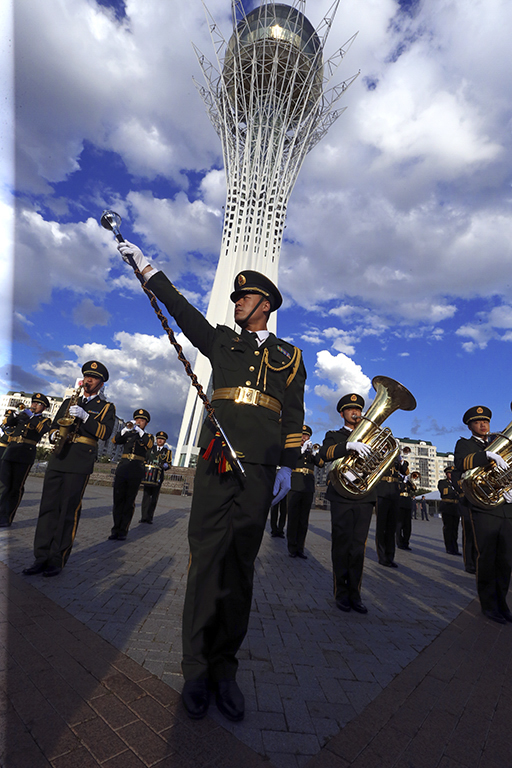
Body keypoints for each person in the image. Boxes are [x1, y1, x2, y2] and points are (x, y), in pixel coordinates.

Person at [117, 240, 305, 722]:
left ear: (265, 305)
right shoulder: (221, 339)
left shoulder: (291, 356)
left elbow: (295, 414)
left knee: (241, 566)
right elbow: (179, 308)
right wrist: (146, 267)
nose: (236, 302)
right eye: (237, 298)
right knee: (205, 562)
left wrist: (288, 464)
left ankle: (225, 669)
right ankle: (196, 669)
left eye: (245, 298)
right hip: (218, 460)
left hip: (262, 469)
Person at [23, 362, 115, 577]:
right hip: (59, 457)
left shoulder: (106, 407)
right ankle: (40, 557)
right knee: (48, 507)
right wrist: (54, 435)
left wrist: (85, 417)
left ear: (101, 383)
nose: (88, 380)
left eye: (93, 377)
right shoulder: (67, 402)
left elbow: (104, 433)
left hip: (80, 460)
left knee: (67, 510)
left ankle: (57, 559)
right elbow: (55, 426)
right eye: (86, 376)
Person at [452, 405, 512, 623]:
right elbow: (460, 464)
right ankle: (488, 605)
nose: (483, 424)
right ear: (470, 425)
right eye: (478, 422)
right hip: (483, 508)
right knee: (487, 557)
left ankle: (502, 603)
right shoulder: (464, 444)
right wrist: (485, 455)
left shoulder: (501, 441)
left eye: (486, 421)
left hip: (506, 508)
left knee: (506, 559)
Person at [318, 394, 375, 614]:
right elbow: (325, 454)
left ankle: (355, 593)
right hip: (341, 495)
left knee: (358, 547)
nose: (356, 413)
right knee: (342, 545)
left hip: (364, 496)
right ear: (342, 413)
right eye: (351, 410)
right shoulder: (334, 435)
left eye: (359, 409)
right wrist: (348, 446)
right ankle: (341, 593)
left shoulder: (371, 437)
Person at [0, 395, 52, 527]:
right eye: (33, 402)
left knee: (16, 487)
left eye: (38, 404)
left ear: (44, 407)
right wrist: (16, 414)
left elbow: (42, 430)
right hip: (11, 450)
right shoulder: (23, 416)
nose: (34, 405)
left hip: (25, 453)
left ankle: (7, 517)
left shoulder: (45, 420)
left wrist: (31, 417)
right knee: (3, 484)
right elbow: (7, 424)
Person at [110, 409, 153, 540]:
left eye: (142, 421)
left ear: (146, 423)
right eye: (137, 420)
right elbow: (114, 441)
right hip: (123, 467)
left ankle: (123, 530)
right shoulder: (129, 435)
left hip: (136, 469)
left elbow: (150, 444)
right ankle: (115, 529)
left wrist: (140, 432)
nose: (139, 422)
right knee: (118, 499)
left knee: (129, 500)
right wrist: (124, 430)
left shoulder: (148, 436)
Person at [287, 425, 324, 559]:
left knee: (304, 519)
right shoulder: (294, 449)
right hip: (295, 484)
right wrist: (301, 450)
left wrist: (314, 454)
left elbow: (321, 464)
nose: (304, 438)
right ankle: (291, 547)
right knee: (293, 517)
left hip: (308, 486)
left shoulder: (312, 450)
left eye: (306, 436)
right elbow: (289, 461)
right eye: (302, 435)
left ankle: (300, 548)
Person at [375, 455, 408, 567]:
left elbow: (404, 472)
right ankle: (382, 557)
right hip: (382, 491)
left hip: (394, 493)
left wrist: (400, 460)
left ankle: (390, 556)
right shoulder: (378, 455)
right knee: (381, 527)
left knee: (391, 527)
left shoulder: (396, 459)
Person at [140, 430, 172, 524]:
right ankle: (144, 516)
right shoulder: (150, 449)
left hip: (158, 475)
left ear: (165, 441)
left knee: (154, 497)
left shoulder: (167, 452)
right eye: (158, 439)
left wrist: (164, 466)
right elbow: (145, 459)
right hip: (148, 474)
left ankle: (149, 517)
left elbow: (169, 464)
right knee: (146, 495)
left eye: (162, 439)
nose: (160, 441)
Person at [438, 466, 461, 555]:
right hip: (447, 507)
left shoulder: (457, 483)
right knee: (448, 529)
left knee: (455, 529)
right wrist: (455, 491)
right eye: (449, 473)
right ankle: (449, 547)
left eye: (452, 473)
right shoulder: (442, 482)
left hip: (456, 508)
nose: (451, 475)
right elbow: (444, 492)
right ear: (446, 474)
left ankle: (455, 548)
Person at [396, 470, 415, 551]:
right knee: (399, 525)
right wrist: (402, 481)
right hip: (400, 502)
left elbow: (414, 489)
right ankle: (400, 543)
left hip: (407, 503)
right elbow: (398, 489)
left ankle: (406, 543)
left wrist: (409, 481)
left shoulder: (408, 482)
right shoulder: (398, 479)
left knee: (408, 526)